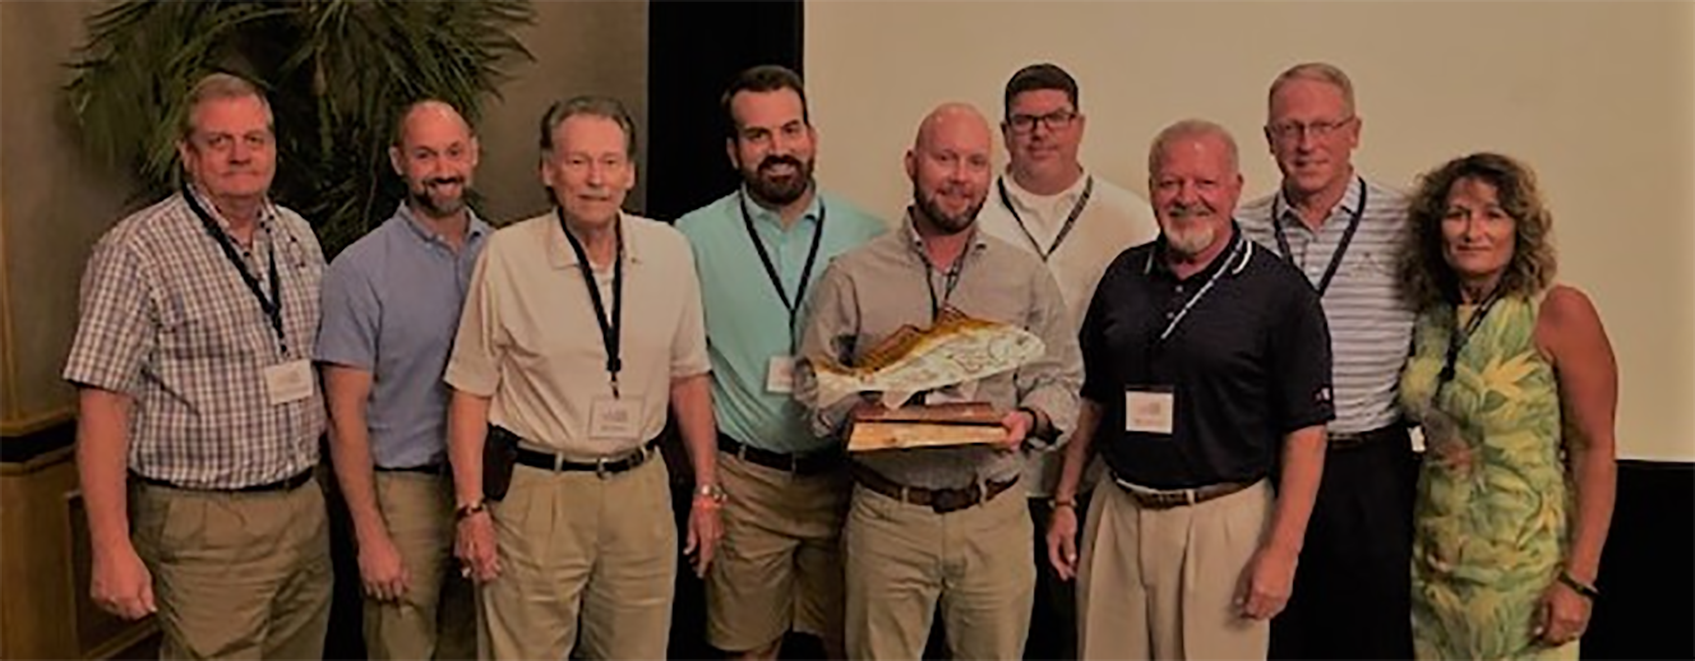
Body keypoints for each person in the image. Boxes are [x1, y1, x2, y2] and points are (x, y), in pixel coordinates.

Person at [797, 102, 1082, 661]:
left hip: (993, 514)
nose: (959, 176)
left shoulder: (1023, 276)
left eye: (975, 162)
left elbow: (1060, 377)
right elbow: (814, 384)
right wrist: (860, 411)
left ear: (990, 172)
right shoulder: (852, 273)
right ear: (912, 163)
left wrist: (1030, 420)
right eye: (944, 158)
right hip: (888, 517)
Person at [442, 95, 723, 660]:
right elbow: (470, 393)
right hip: (539, 493)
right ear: (548, 170)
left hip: (640, 491)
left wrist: (707, 490)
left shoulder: (670, 252)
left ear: (631, 171)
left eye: (610, 162)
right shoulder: (508, 255)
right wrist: (470, 509)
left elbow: (689, 380)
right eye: (578, 163)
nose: (596, 179)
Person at [64, 71, 332, 659]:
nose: (242, 155)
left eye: (255, 139)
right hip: (204, 522)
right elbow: (103, 401)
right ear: (188, 154)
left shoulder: (297, 237)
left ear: (273, 148)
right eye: (220, 142)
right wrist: (110, 547)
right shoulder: (137, 251)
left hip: (303, 507)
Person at [1050, 119, 1332, 661]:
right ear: (1152, 189)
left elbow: (1306, 433)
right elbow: (1092, 397)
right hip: (1119, 510)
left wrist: (1283, 551)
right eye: (1170, 183)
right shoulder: (1124, 276)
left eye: (1205, 183)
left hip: (1223, 521)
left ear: (1235, 188)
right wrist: (1065, 500)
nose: (1187, 199)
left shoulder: (1278, 293)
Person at [675, 64, 886, 661]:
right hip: (746, 483)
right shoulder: (689, 240)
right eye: (758, 136)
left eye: (790, 130)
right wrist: (707, 487)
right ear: (732, 149)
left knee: (851, 642)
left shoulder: (870, 236)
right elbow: (680, 368)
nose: (778, 149)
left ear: (812, 137)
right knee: (747, 647)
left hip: (846, 477)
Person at [1396, 152, 1617, 660]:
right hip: (1435, 579)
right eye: (1458, 214)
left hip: (1526, 584)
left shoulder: (1558, 313)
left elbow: (1595, 450)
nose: (1473, 230)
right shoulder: (1430, 319)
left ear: (1521, 228)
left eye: (1493, 214)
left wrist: (1579, 581)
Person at [1237, 62, 1419, 661]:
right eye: (1289, 129)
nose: (1306, 144)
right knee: (1269, 636)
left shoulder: (1408, 225)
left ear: (1355, 131)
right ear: (1268, 140)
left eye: (1323, 126)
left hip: (1369, 471)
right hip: (1265, 469)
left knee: (1370, 640)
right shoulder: (1240, 231)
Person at [976, 62, 1158, 661]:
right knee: (998, 635)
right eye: (1025, 121)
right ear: (1005, 131)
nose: (1040, 132)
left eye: (1055, 117)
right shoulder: (974, 211)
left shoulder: (1128, 217)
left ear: (1079, 125)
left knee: (1080, 631)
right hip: (992, 464)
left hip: (1093, 468)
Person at [315, 99, 487, 660]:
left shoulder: (506, 256)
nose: (443, 168)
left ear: (475, 155)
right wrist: (370, 536)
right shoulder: (360, 270)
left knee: (474, 647)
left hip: (488, 491)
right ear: (398, 161)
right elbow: (344, 417)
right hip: (404, 496)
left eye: (454, 152)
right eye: (425, 154)